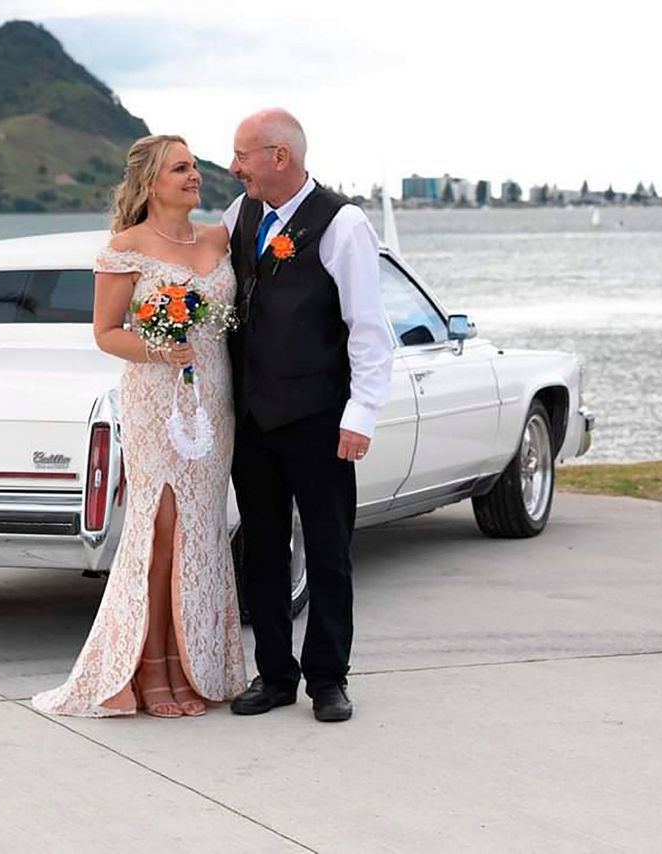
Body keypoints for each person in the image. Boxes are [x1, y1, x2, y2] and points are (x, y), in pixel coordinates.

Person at [33, 135, 246, 718]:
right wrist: (159, 349)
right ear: (151, 182)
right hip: (156, 402)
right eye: (181, 168)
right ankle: (149, 671)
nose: (194, 175)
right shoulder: (124, 249)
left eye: (195, 165)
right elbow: (106, 333)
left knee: (202, 532)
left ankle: (198, 665)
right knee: (161, 531)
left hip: (214, 405)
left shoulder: (219, 238)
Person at [222, 108, 394, 723]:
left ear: (279, 157)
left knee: (327, 551)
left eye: (242, 154)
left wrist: (362, 414)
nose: (233, 165)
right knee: (262, 552)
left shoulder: (343, 224)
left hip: (322, 417)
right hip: (253, 421)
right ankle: (273, 674)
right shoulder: (237, 216)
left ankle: (328, 677)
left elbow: (369, 331)